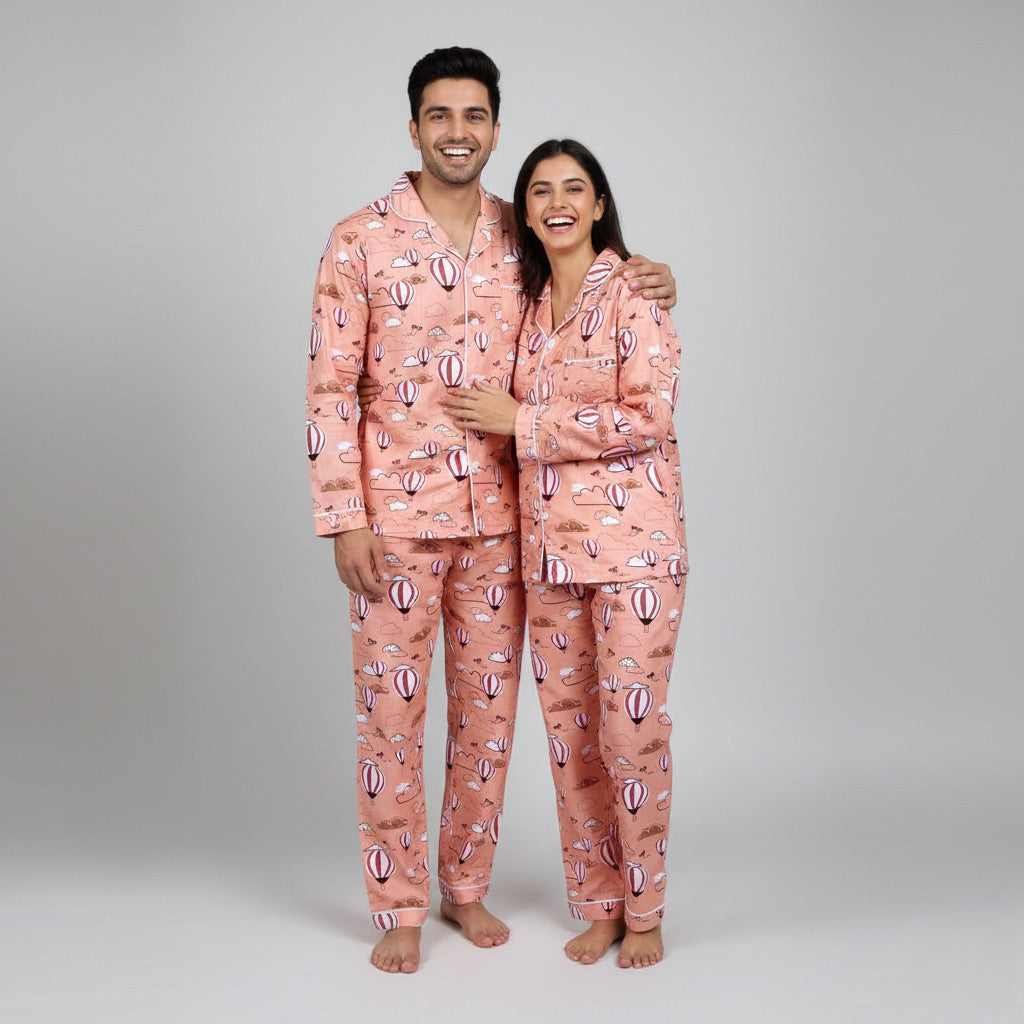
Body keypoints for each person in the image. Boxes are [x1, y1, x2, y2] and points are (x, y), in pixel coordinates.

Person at [306, 51, 677, 974]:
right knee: (388, 721)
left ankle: (463, 889)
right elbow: (329, 390)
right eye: (440, 116)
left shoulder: (524, 236)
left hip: (511, 526)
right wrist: (343, 515)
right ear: (414, 128)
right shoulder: (360, 240)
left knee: (490, 722)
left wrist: (649, 273)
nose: (458, 131)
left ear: (496, 128)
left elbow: (595, 281)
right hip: (393, 520)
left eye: (475, 115)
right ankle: (398, 903)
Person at [440, 138, 688, 969]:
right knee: (573, 740)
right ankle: (601, 901)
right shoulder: (530, 305)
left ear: (597, 202)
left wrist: (528, 424)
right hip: (547, 560)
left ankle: (646, 908)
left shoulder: (632, 294)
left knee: (630, 732)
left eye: (572, 188)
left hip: (632, 553)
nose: (555, 203)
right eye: (539, 190)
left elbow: (649, 415)